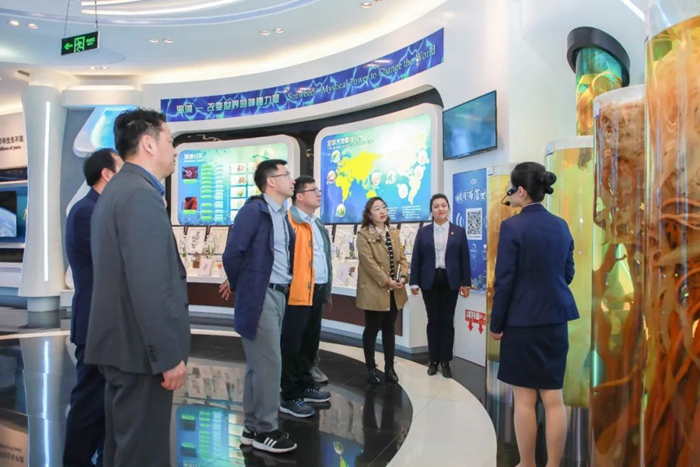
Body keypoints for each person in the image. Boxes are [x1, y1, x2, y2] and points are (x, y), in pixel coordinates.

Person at [85, 108, 190, 466]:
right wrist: (167, 357)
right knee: (142, 453)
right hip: (139, 354)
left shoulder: (119, 190)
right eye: (170, 141)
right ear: (148, 144)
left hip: (121, 347)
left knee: (123, 449)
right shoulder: (139, 196)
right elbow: (149, 285)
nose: (174, 150)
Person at [489, 162, 579, 467]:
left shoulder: (512, 227)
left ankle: (527, 463)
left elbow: (504, 281)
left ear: (521, 191)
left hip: (521, 322)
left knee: (525, 398)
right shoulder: (561, 225)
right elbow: (567, 273)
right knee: (554, 398)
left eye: (510, 189)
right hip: (555, 320)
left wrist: (496, 324)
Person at [221, 159, 298, 454]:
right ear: (271, 181)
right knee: (269, 363)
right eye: (286, 174)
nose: (291, 180)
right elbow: (233, 254)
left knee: (259, 366)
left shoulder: (281, 215)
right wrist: (244, 285)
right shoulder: (254, 211)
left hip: (278, 294)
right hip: (261, 295)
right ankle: (267, 430)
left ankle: (252, 427)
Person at [63, 148, 123, 467]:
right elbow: (109, 261)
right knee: (88, 402)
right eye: (121, 167)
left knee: (103, 402)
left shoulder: (99, 209)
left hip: (107, 321)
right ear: (107, 174)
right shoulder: (87, 211)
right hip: (93, 321)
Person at [279, 176, 333, 418]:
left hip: (317, 290)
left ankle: (305, 385)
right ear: (299, 196)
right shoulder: (288, 221)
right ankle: (290, 395)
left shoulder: (316, 223)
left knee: (310, 343)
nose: (318, 194)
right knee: (292, 344)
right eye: (314, 190)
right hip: (297, 292)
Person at [410, 194, 471, 378]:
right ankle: (433, 360)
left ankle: (445, 361)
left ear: (448, 208)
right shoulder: (423, 232)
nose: (440, 209)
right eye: (436, 206)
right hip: (429, 281)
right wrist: (414, 281)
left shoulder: (458, 231)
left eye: (443, 205)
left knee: (447, 321)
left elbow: (464, 259)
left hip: (450, 281)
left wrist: (465, 283)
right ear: (431, 210)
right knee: (433, 320)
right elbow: (416, 257)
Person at [356, 197, 409, 385]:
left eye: (383, 207)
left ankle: (389, 366)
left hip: (394, 291)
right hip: (374, 290)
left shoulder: (393, 233)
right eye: (376, 208)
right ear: (369, 215)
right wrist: (387, 281)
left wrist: (403, 277)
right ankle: (370, 367)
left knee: (389, 329)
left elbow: (402, 259)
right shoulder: (363, 235)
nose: (382, 211)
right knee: (372, 329)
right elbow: (369, 264)